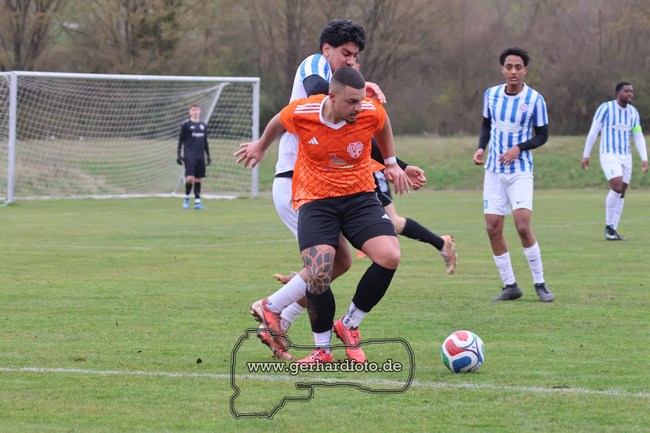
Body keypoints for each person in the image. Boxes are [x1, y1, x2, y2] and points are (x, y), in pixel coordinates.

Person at [246, 20, 455, 360]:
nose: (351, 62)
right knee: (325, 265)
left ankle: (280, 314)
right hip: (298, 181)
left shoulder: (350, 101)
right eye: (346, 54)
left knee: (339, 263)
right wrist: (359, 88)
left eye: (355, 57)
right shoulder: (314, 67)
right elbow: (317, 94)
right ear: (326, 49)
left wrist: (397, 164)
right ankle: (274, 310)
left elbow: (359, 135)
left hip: (337, 187)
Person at [236, 66, 411, 364]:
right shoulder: (304, 112)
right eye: (351, 102)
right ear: (331, 97)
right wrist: (262, 146)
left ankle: (349, 323)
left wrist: (392, 162)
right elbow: (278, 120)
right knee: (319, 270)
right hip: (316, 201)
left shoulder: (369, 111)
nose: (359, 108)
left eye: (361, 101)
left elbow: (383, 124)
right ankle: (322, 351)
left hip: (359, 197)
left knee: (390, 255)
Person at [472, 47, 554, 303]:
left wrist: (519, 148)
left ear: (525, 70)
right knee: (492, 227)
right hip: (494, 172)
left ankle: (540, 283)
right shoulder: (491, 95)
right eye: (509, 67)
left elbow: (542, 135)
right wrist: (481, 148)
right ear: (503, 69)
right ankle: (510, 285)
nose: (513, 71)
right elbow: (486, 126)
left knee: (522, 226)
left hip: (520, 171)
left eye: (518, 67)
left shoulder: (535, 99)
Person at [581, 82, 648, 240]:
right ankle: (608, 227)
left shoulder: (633, 112)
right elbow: (593, 132)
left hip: (626, 156)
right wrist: (586, 154)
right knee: (617, 186)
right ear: (618, 93)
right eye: (626, 91)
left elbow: (638, 135)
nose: (630, 94)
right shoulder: (606, 108)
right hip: (609, 154)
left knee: (622, 191)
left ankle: (612, 230)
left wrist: (644, 157)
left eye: (631, 91)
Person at [177, 103, 211, 210]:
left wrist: (208, 155)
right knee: (190, 178)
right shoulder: (186, 125)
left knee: (198, 179)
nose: (195, 112)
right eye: (193, 110)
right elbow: (181, 140)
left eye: (197, 109)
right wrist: (179, 154)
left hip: (200, 156)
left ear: (200, 111)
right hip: (189, 155)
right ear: (190, 112)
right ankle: (186, 198)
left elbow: (205, 141)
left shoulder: (203, 125)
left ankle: (197, 202)